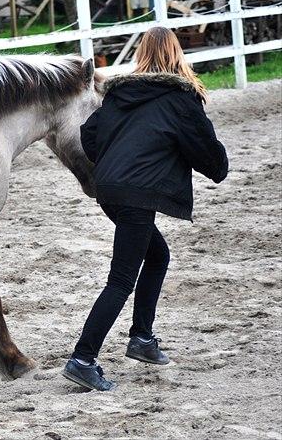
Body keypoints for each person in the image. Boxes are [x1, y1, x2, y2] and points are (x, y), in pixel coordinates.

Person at [62, 26, 229, 391]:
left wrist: (113, 162)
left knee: (157, 256)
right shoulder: (181, 99)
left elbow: (89, 134)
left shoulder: (121, 94)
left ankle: (142, 339)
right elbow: (204, 149)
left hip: (110, 190)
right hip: (137, 196)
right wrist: (218, 166)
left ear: (141, 53)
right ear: (176, 54)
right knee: (121, 280)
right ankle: (83, 359)